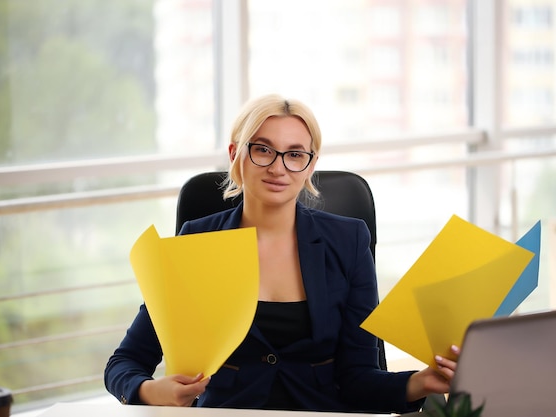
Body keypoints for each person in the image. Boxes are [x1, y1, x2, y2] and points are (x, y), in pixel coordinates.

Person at [104, 93, 460, 413]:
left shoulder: (348, 240)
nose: (278, 167)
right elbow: (125, 362)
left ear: (310, 165)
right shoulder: (196, 240)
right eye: (262, 149)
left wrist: (420, 382)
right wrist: (150, 392)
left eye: (294, 154)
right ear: (235, 155)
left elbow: (358, 378)